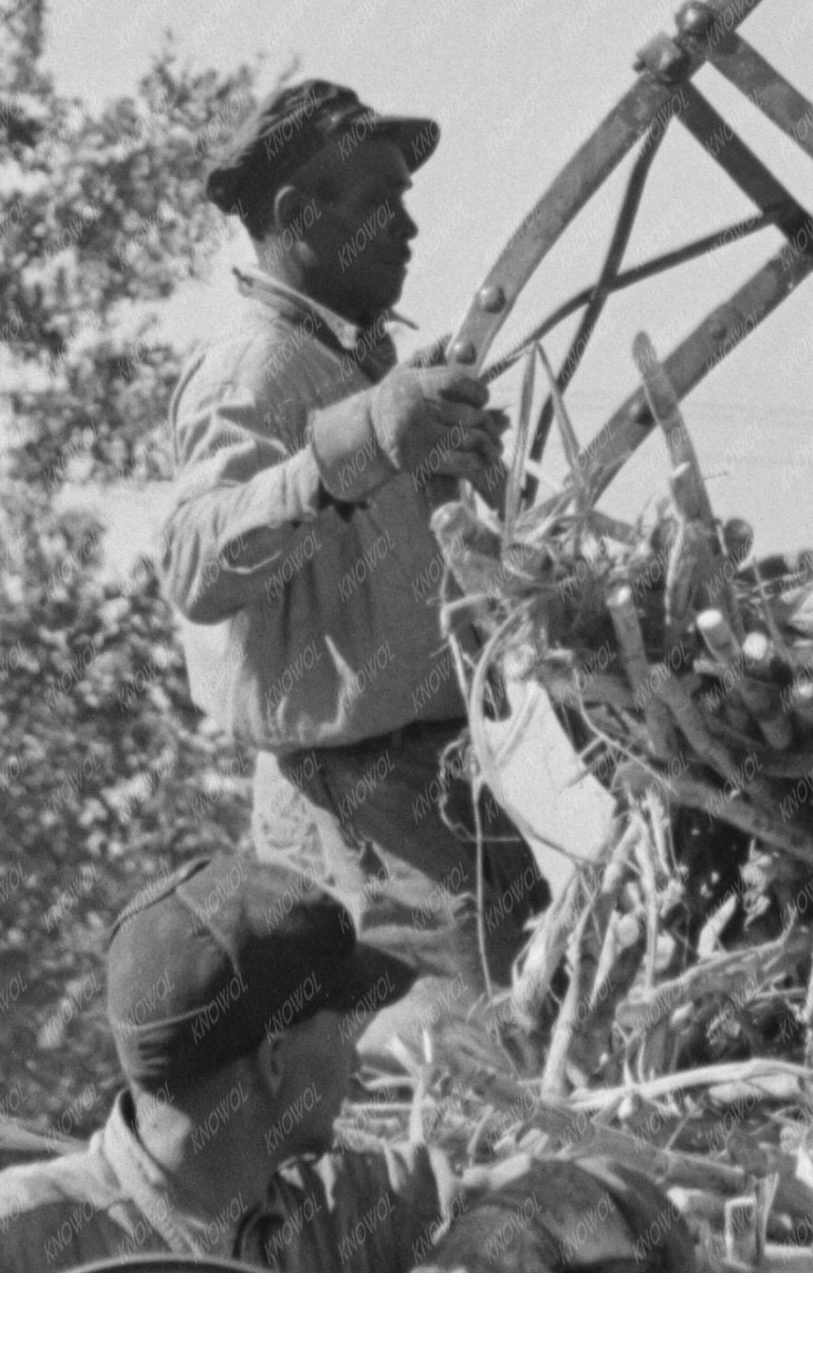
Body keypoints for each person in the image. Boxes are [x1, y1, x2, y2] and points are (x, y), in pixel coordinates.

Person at [160, 75, 548, 996]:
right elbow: (196, 562)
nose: (408, 227)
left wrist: (446, 464)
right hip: (361, 805)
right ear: (297, 214)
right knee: (454, 1046)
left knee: (523, 1029)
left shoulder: (348, 360)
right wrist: (360, 442)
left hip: (438, 783)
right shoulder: (254, 369)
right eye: (380, 202)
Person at [0, 852, 688, 1272]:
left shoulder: (328, 1209)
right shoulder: (6, 1246)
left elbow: (595, 1187)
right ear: (277, 1059)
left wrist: (484, 1258)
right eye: (343, 1019)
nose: (358, 1043)